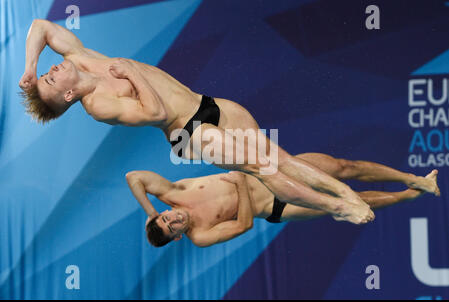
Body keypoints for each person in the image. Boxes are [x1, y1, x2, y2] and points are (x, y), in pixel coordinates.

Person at [19, 20, 439, 224]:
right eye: (48, 82)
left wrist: (28, 65)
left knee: (276, 156)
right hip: (187, 134)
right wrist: (132, 72)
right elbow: (157, 113)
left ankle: (375, 187)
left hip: (208, 104)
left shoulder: (78, 57)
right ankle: (338, 205)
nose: (49, 73)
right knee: (262, 167)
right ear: (69, 96)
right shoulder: (98, 105)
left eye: (46, 72)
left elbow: (40, 26)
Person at [125, 152, 439, 247]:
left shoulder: (173, 192)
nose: (174, 220)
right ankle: (407, 196)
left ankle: (415, 180)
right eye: (172, 228)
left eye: (166, 219)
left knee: (346, 167)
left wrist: (150, 212)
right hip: (279, 205)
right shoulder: (201, 235)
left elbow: (133, 177)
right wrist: (241, 186)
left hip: (274, 171)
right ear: (178, 237)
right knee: (350, 198)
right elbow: (245, 225)